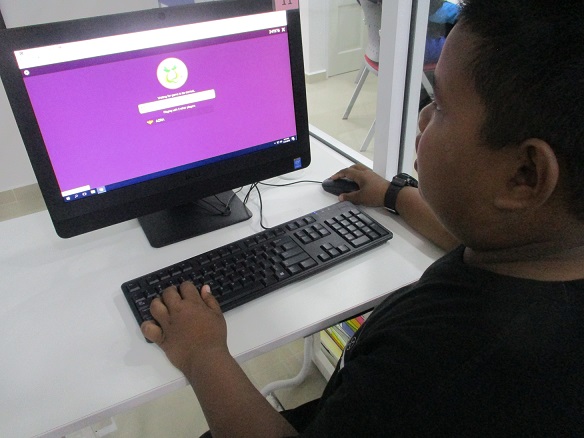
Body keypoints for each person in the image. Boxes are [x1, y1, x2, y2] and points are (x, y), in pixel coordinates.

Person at [140, 0, 584, 435]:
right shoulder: (539, 250)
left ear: (525, 175)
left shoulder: (432, 368)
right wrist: (394, 195)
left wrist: (202, 353)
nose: (423, 116)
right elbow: (462, 241)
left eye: (440, 105)